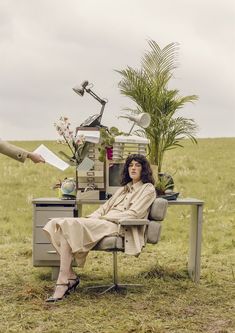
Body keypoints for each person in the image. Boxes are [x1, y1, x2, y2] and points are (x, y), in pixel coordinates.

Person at [43, 154, 156, 302]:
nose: (133, 168)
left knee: (67, 225)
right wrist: (90, 218)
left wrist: (103, 218)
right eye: (130, 165)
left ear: (144, 169)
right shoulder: (123, 189)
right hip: (104, 222)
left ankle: (62, 283)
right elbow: (104, 208)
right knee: (55, 224)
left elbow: (134, 214)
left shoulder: (148, 189)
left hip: (120, 226)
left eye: (137, 165)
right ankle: (69, 275)